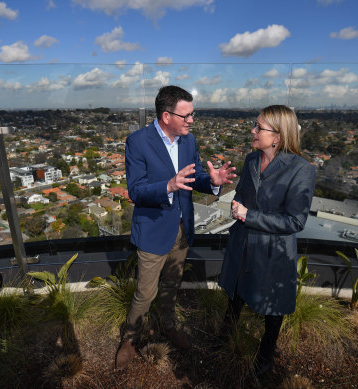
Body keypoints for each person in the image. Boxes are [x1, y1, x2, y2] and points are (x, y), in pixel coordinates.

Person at [115, 85, 237, 369]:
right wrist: (167, 186)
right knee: (145, 292)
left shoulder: (188, 141)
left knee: (172, 282)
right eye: (186, 115)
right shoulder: (137, 141)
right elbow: (136, 191)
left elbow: (193, 177)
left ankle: (168, 326)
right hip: (154, 230)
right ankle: (130, 340)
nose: (191, 120)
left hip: (182, 228)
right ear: (166, 116)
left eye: (192, 114)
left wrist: (213, 182)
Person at [218, 105, 315, 377]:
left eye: (259, 127)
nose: (253, 130)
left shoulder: (301, 170)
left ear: (278, 137)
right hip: (243, 243)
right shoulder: (251, 159)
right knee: (236, 292)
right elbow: (242, 193)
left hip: (273, 251)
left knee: (272, 307)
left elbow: (295, 221)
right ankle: (227, 333)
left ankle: (266, 353)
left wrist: (250, 215)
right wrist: (237, 205)